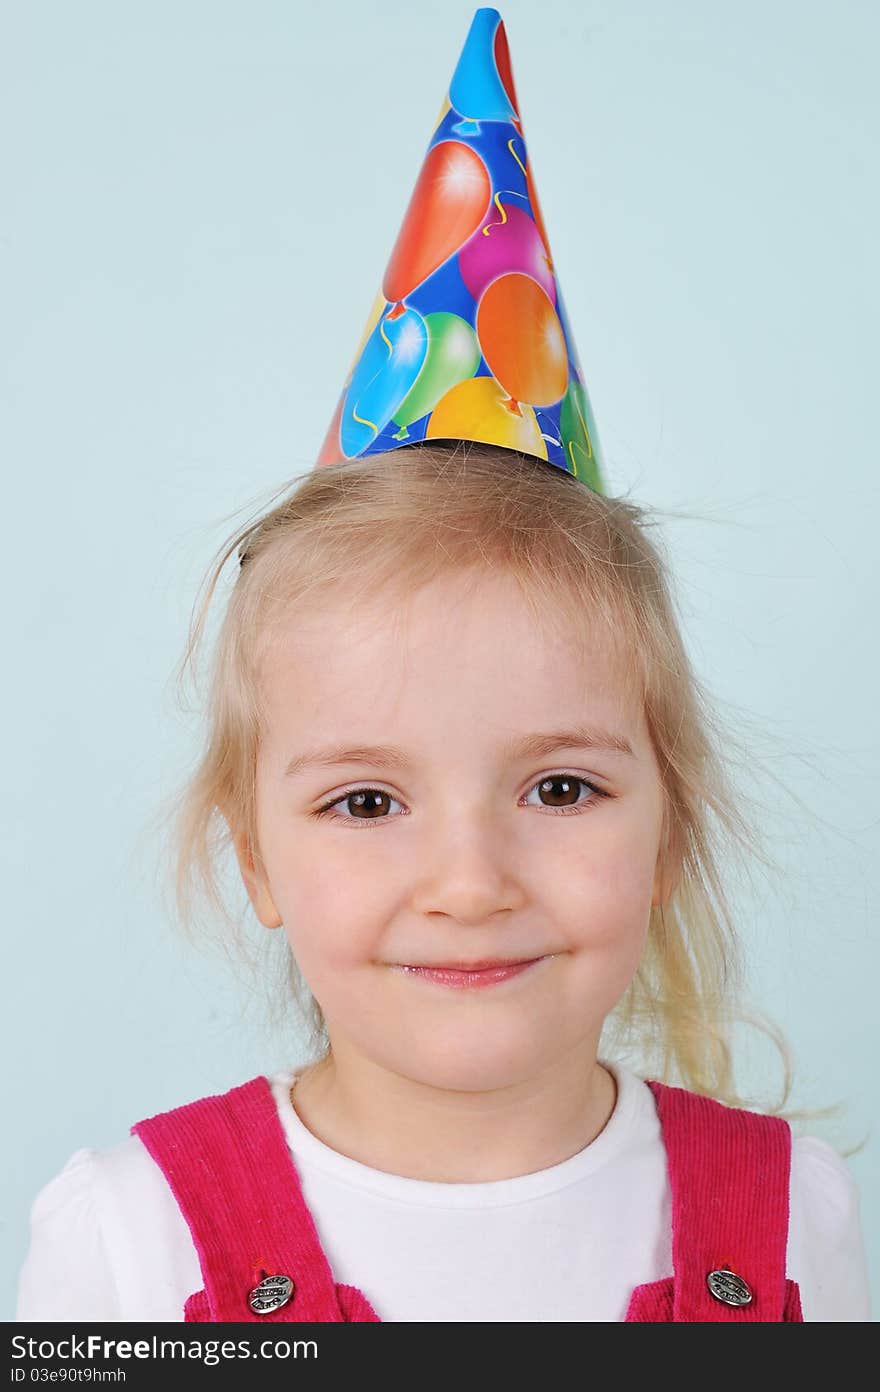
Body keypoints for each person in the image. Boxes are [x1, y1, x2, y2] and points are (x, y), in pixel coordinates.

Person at [16, 7, 871, 1323]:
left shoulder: (803, 1217)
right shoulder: (130, 1238)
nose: (468, 886)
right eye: (366, 802)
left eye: (561, 789)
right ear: (253, 855)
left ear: (672, 824)